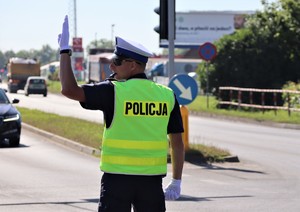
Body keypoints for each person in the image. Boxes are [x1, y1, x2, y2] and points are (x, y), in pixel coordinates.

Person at [58, 15, 185, 212]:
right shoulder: (167, 95)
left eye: (116, 61)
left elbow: (68, 89)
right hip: (151, 184)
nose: (111, 66)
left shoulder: (113, 91)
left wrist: (65, 52)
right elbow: (177, 142)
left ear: (132, 65)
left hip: (117, 181)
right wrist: (176, 181)